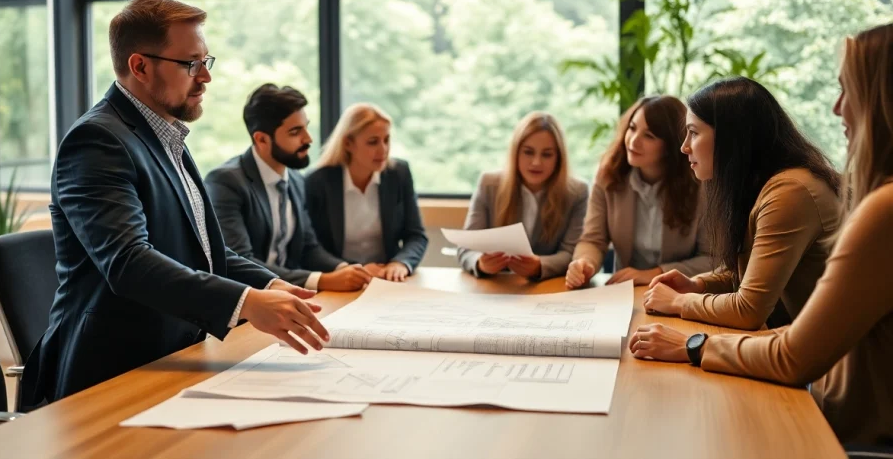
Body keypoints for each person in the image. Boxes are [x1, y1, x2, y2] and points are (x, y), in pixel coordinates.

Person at [21, 0, 328, 406]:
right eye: (190, 64)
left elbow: (202, 251)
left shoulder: (167, 136)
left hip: (173, 354)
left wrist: (269, 284)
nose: (205, 77)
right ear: (140, 66)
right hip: (110, 372)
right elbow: (129, 262)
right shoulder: (97, 141)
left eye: (206, 61)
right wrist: (247, 303)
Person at [628, 23, 893, 446]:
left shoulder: (800, 193)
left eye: (693, 133)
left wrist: (690, 339)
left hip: (851, 426)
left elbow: (770, 330)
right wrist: (696, 286)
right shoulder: (771, 187)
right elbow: (745, 277)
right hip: (832, 397)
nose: (837, 109)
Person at [641, 77, 841, 330]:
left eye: (693, 133)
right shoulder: (765, 185)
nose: (684, 147)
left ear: (731, 137)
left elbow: (749, 310)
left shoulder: (790, 192)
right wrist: (699, 285)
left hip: (830, 361)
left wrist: (680, 301)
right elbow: (751, 273)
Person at [206, 85, 373, 292]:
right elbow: (240, 262)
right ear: (262, 139)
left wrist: (346, 270)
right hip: (250, 304)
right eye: (295, 132)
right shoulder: (225, 182)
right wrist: (321, 280)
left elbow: (308, 248)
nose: (308, 139)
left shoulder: (296, 179)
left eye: (306, 127)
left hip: (292, 298)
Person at [565, 96, 712, 289]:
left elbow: (712, 258)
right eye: (632, 128)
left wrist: (656, 273)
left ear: (671, 144)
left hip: (679, 293)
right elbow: (593, 239)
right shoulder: (608, 176)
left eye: (649, 136)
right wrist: (585, 264)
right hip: (625, 293)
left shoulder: (700, 185)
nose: (633, 141)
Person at [458, 111, 589, 280]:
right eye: (528, 152)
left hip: (547, 289)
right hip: (497, 287)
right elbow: (466, 248)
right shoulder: (489, 184)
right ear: (516, 153)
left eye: (547, 154)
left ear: (559, 158)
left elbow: (573, 254)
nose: (536, 162)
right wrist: (480, 263)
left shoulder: (577, 192)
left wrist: (540, 266)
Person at [305, 103, 428, 282]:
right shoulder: (317, 181)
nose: (383, 150)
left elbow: (416, 235)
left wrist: (400, 263)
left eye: (386, 140)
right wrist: (356, 269)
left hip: (387, 277)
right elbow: (311, 248)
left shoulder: (398, 173)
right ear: (348, 143)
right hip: (341, 279)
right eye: (373, 142)